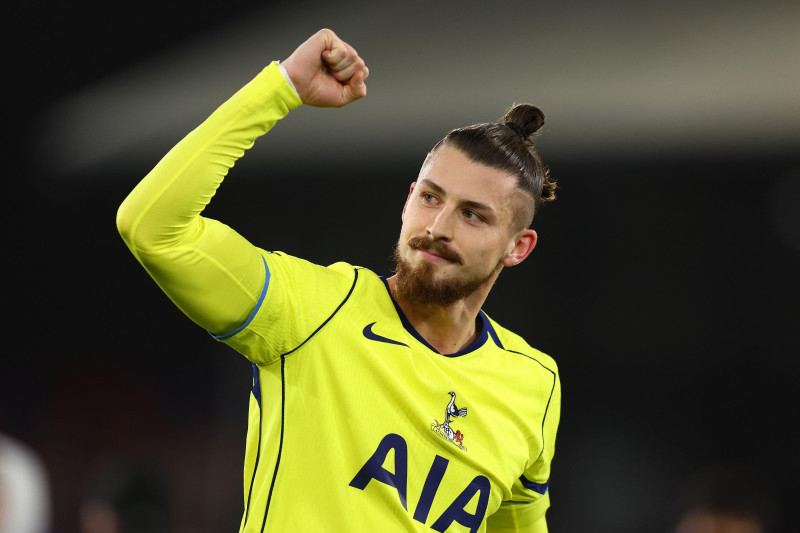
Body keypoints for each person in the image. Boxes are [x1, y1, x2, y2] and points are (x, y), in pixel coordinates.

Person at [117, 28, 561, 532]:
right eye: (430, 198)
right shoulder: (312, 310)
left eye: (473, 215)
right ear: (408, 201)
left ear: (517, 247)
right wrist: (282, 87)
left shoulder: (534, 384)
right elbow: (152, 227)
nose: (437, 227)